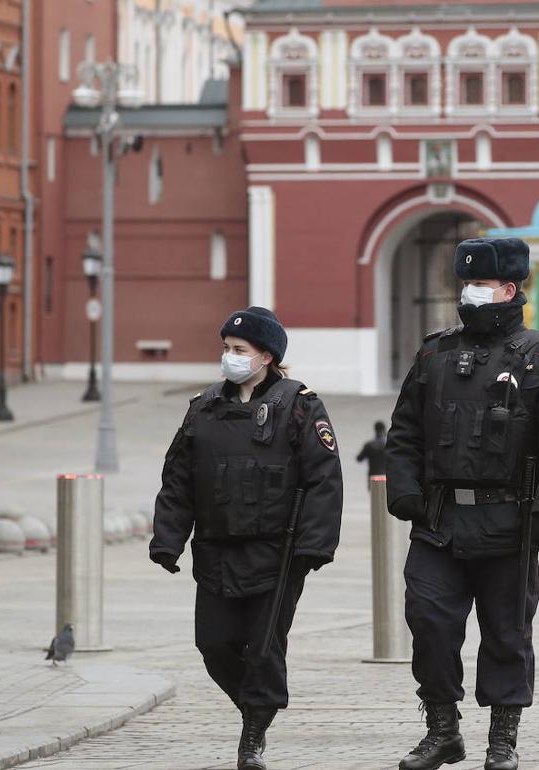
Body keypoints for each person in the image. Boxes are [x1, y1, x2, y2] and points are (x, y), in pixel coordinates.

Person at [384, 237, 539, 770]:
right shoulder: (435, 353)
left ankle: (502, 740)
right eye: (466, 283)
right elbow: (404, 431)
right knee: (429, 622)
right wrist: (404, 491)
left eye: (481, 283)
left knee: (506, 633)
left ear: (510, 289)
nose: (470, 293)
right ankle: (442, 732)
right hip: (439, 520)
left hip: (509, 522)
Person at [149, 306, 343, 770]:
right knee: (213, 644)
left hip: (276, 554)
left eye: (239, 349)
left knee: (263, 647)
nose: (229, 356)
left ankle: (253, 735)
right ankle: (256, 707)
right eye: (226, 348)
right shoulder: (203, 408)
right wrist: (167, 539)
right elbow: (179, 479)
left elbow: (324, 478)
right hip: (216, 550)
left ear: (266, 356)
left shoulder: (300, 406)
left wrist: (314, 546)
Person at [357, 420, 389, 487]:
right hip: (386, 476)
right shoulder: (389, 445)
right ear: (384, 430)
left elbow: (359, 459)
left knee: (375, 493)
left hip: (373, 476)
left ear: (375, 430)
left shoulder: (369, 445)